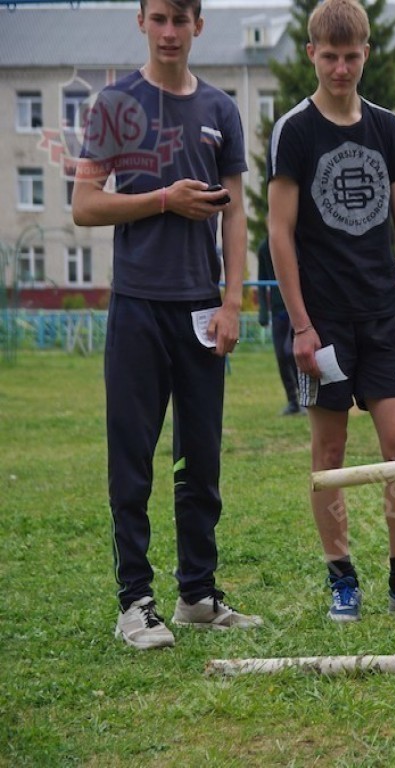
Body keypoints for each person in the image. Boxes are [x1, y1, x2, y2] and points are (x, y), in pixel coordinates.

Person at [71, 0, 262, 650]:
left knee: (200, 458)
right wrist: (162, 200)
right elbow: (84, 205)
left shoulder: (220, 110)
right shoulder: (114, 105)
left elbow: (234, 214)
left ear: (199, 25)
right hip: (137, 306)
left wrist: (233, 300)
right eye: (159, 18)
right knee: (132, 458)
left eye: (182, 19)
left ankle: (197, 596)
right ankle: (135, 603)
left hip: (202, 308)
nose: (170, 32)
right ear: (142, 22)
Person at [267, 0, 395, 621]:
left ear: (366, 54)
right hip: (322, 323)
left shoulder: (387, 129)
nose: (341, 68)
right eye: (330, 57)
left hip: (382, 316)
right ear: (311, 55)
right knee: (330, 455)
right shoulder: (295, 131)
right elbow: (279, 233)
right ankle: (342, 581)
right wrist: (300, 324)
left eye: (351, 57)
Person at [257, 237, 302, 416]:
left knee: (290, 351)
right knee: (281, 356)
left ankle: (305, 397)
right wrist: (263, 311)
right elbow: (261, 281)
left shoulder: (295, 243)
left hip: (296, 308)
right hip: (278, 311)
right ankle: (292, 401)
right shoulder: (264, 248)